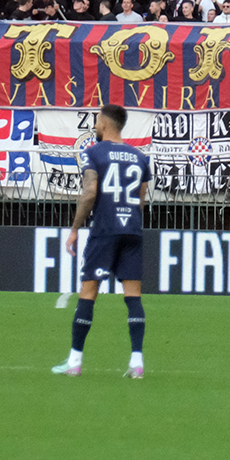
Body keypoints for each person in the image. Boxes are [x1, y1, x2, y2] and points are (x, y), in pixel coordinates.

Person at [52, 104, 151, 378]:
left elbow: (89, 192)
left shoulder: (93, 153)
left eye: (97, 120)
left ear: (105, 124)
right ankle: (137, 362)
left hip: (105, 229)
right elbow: (141, 198)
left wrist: (74, 229)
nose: (95, 125)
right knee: (133, 295)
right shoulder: (139, 157)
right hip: (132, 229)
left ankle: (74, 362)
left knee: (89, 292)